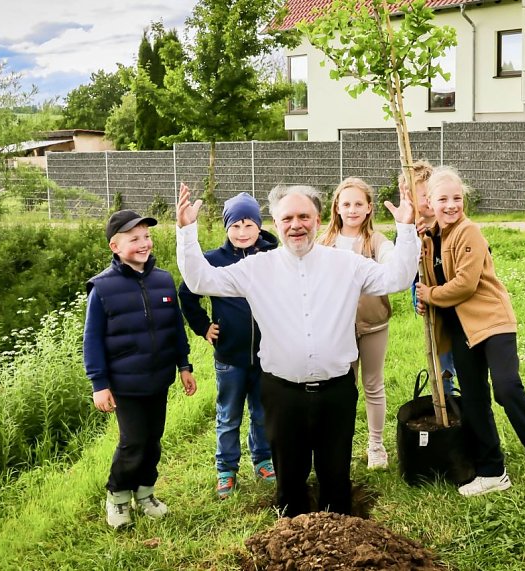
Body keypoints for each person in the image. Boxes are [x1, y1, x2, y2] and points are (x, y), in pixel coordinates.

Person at [176, 181, 419, 517]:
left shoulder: (346, 264)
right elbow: (200, 281)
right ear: (275, 224)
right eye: (287, 218)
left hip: (337, 392)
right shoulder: (255, 269)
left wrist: (407, 229)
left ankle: (340, 546)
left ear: (318, 220)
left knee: (335, 477)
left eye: (304, 216)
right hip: (282, 393)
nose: (296, 224)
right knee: (289, 482)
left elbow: (398, 278)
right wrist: (187, 232)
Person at [414, 167, 525, 497]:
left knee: (506, 386)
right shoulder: (428, 239)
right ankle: (492, 471)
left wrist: (432, 295)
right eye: (443, 199)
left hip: (491, 321)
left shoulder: (469, 232)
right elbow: (429, 283)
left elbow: (465, 285)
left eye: (457, 198)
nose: (452, 205)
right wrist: (423, 298)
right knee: (474, 400)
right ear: (430, 201)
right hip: (460, 330)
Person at [83, 209, 198, 529]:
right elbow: (91, 340)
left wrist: (184, 366)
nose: (144, 243)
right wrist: (99, 383)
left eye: (146, 236)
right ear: (115, 247)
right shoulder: (102, 288)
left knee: (153, 439)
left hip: (158, 379)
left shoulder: (163, 280)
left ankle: (145, 494)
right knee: (133, 442)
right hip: (125, 383)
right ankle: (118, 498)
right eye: (134, 239)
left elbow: (175, 329)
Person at [178, 193, 278, 500]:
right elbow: (187, 292)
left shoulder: (273, 258)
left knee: (262, 413)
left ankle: (262, 460)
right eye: (236, 225)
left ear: (260, 226)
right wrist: (203, 326)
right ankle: (226, 469)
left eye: (249, 224)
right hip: (229, 356)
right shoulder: (213, 260)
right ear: (226, 228)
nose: (243, 231)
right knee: (228, 414)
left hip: (267, 356)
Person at [318, 177, 394, 470]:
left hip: (373, 325)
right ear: (337, 207)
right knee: (341, 388)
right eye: (346, 204)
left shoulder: (375, 241)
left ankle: (376, 445)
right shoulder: (324, 244)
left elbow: (391, 260)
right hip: (337, 330)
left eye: (358, 204)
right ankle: (340, 445)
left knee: (373, 384)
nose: (351, 210)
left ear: (368, 208)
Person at [402, 160, 458, 395]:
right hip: (429, 298)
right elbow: (406, 271)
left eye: (428, 195)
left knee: (461, 347)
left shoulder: (446, 223)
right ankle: (447, 393)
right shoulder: (409, 229)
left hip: (455, 295)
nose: (425, 201)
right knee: (440, 351)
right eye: (419, 196)